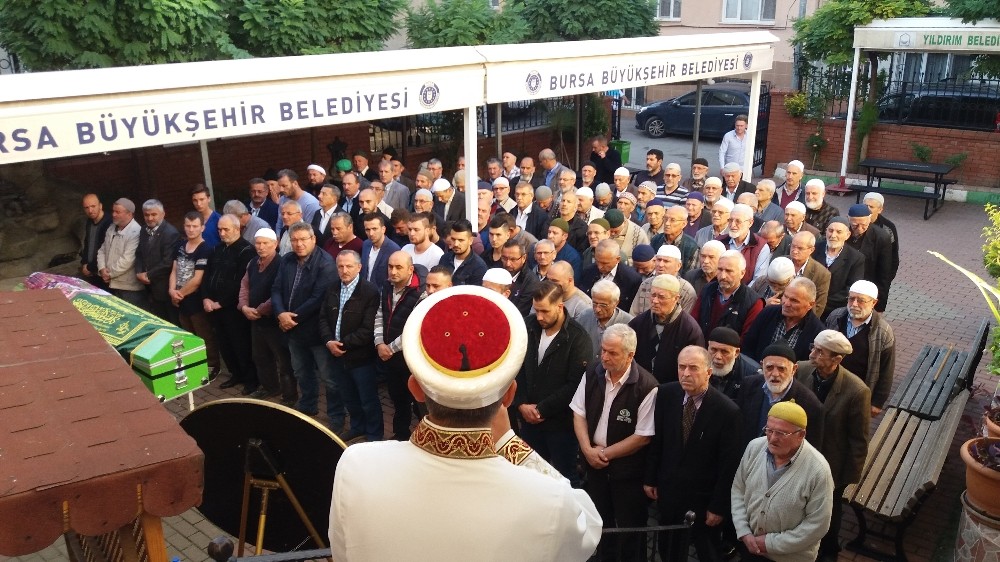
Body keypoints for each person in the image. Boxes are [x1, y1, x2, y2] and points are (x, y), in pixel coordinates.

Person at [329, 285, 602, 561]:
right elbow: (588, 526)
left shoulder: (357, 465)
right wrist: (509, 442)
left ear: (415, 389)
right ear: (508, 395)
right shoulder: (549, 500)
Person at [645, 345, 743, 562]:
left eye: (693, 368)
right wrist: (651, 477)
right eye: (681, 367)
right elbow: (658, 439)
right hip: (669, 491)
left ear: (708, 372)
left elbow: (728, 466)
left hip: (703, 499)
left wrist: (718, 507)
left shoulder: (727, 411)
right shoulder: (666, 394)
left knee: (706, 550)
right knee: (668, 547)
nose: (686, 373)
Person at [572, 324, 656, 561]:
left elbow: (642, 436)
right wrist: (588, 450)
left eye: (612, 353)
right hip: (594, 466)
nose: (604, 357)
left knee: (630, 528)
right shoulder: (592, 373)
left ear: (631, 355)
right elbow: (578, 412)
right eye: (603, 350)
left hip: (627, 472)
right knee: (601, 522)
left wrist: (604, 454)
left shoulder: (647, 386)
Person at [795, 330, 871, 561]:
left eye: (820, 352)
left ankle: (828, 551)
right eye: (813, 347)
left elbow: (858, 439)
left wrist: (845, 478)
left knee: (829, 510)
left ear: (837, 359)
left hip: (830, 463)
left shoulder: (857, 391)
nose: (812, 354)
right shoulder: (802, 369)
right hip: (798, 455)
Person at [731, 401, 834, 562]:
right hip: (750, 548)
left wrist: (769, 544)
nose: (772, 439)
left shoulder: (818, 471)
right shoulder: (754, 448)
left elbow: (817, 526)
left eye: (781, 433)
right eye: (769, 430)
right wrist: (744, 531)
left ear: (801, 435)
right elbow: (738, 489)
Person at [515, 281, 593, 485]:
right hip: (529, 419)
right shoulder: (527, 326)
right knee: (529, 474)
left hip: (561, 425)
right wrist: (522, 404)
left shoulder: (578, 338)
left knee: (564, 476)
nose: (539, 316)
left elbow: (575, 384)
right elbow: (517, 368)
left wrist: (541, 410)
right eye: (536, 310)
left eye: (544, 311)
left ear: (560, 307)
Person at [271, 221, 346, 430]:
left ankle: (336, 417)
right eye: (294, 240)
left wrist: (290, 318)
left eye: (303, 239)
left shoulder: (326, 264)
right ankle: (308, 406)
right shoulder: (286, 260)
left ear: (313, 239)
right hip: (293, 332)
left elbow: (318, 298)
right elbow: (276, 289)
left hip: (317, 332)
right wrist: (279, 313)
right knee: (301, 371)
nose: (299, 244)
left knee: (330, 378)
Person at [319, 250, 382, 442]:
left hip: (360, 358)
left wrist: (342, 344)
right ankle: (357, 427)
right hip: (336, 355)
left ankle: (374, 435)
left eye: (349, 266)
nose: (344, 270)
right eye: (340, 266)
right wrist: (329, 341)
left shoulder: (370, 292)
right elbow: (322, 318)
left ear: (359, 267)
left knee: (368, 399)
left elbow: (368, 328)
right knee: (349, 397)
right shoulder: (331, 288)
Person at [238, 227, 296, 404]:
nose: (261, 247)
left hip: (274, 322)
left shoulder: (281, 264)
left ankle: (289, 396)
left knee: (284, 361)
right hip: (256, 321)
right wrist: (244, 307)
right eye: (258, 243)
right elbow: (245, 286)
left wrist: (259, 310)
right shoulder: (253, 263)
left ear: (275, 244)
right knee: (260, 357)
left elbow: (279, 293)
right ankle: (270, 387)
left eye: (265, 243)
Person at [824, 280, 895, 415]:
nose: (854, 304)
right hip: (829, 385)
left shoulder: (884, 332)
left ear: (873, 303)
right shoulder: (835, 317)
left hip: (857, 393)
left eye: (861, 300)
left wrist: (877, 403)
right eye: (851, 299)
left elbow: (887, 370)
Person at [374, 251, 424, 441]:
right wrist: (379, 343)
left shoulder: (420, 292)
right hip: (389, 357)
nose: (393, 272)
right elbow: (380, 313)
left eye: (398, 267)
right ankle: (400, 436)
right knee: (397, 399)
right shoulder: (387, 286)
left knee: (418, 402)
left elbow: (415, 326)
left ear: (410, 269)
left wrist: (390, 349)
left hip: (408, 358)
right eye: (390, 267)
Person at [169, 212, 220, 379]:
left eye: (195, 226)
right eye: (188, 226)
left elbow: (197, 279)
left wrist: (179, 295)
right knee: (188, 334)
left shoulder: (206, 249)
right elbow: (174, 270)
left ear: (202, 228)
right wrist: (171, 290)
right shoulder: (180, 246)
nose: (191, 230)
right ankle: (195, 363)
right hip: (180, 300)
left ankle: (212, 365)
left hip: (196, 300)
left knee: (204, 334)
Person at [629, 274, 704, 383]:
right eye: (653, 295)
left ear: (676, 298)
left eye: (661, 297)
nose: (655, 300)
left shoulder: (689, 330)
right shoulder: (637, 324)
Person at [741, 277, 825, 362]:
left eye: (794, 300)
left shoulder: (817, 332)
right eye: (785, 296)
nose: (786, 303)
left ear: (810, 304)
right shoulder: (767, 313)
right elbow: (747, 348)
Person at [692, 250, 763, 340]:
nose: (723, 276)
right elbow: (694, 323)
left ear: (742, 273)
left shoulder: (754, 302)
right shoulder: (707, 290)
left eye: (729, 271)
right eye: (720, 270)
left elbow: (747, 340)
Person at [135, 199, 181, 321]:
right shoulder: (143, 230)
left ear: (163, 214)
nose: (150, 218)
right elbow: (139, 253)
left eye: (153, 214)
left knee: (171, 321)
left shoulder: (170, 233)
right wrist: (139, 272)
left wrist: (148, 275)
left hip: (164, 288)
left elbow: (168, 262)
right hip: (149, 289)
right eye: (146, 215)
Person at [96, 198, 144, 306]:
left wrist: (109, 274)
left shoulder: (136, 232)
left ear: (129, 214)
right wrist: (102, 268)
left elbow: (128, 260)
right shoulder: (111, 228)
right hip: (111, 283)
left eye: (117, 212)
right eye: (113, 211)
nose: (113, 214)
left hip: (129, 288)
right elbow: (102, 250)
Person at [846, 204, 893, 312]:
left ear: (870, 220)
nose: (860, 228)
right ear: (848, 219)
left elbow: (884, 274)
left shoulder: (881, 237)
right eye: (855, 225)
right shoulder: (843, 231)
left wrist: (880, 306)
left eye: (864, 225)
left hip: (867, 285)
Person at [814, 218, 865, 314]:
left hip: (835, 310)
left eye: (839, 232)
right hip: (810, 305)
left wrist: (822, 301)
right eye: (830, 230)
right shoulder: (814, 248)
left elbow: (851, 288)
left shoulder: (856, 258)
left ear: (847, 235)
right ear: (826, 232)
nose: (833, 235)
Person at [578, 280, 634, 365]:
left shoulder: (629, 323)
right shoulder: (584, 316)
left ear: (616, 303)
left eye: (603, 305)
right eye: (594, 303)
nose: (597, 309)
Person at [631, 244, 697, 316]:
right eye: (658, 260)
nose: (660, 264)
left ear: (678, 266)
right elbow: (633, 314)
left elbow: (685, 322)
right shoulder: (645, 284)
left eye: (666, 261)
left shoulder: (687, 291)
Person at [579, 239, 642, 313]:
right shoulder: (588, 272)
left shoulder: (631, 279)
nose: (600, 266)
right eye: (597, 261)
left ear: (617, 259)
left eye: (605, 263)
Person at [719, 203, 770, 284]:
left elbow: (758, 280)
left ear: (750, 223)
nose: (732, 225)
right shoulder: (720, 242)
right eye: (730, 220)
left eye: (738, 221)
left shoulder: (761, 246)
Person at [707, 326, 760, 401]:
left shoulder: (752, 375)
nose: (718, 356)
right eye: (714, 350)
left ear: (736, 353)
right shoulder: (697, 365)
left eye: (724, 352)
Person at [787, 231, 831, 317]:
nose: (795, 251)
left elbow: (819, 306)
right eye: (793, 246)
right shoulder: (780, 262)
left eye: (800, 248)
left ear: (811, 250)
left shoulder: (822, 274)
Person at [651, 205, 699, 275]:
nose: (667, 223)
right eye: (665, 219)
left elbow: (690, 275)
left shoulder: (691, 246)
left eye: (672, 220)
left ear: (684, 224)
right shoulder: (656, 240)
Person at [439, 219, 488, 286]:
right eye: (453, 239)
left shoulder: (479, 267)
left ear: (470, 240)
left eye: (460, 240)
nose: (456, 244)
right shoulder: (445, 259)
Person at [79, 193, 113, 290]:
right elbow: (87, 243)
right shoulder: (89, 222)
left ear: (100, 206)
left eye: (93, 206)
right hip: (91, 271)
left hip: (104, 272)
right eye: (86, 208)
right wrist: (84, 263)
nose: (90, 210)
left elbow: (106, 249)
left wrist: (90, 267)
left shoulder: (109, 223)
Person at [360, 212, 401, 290]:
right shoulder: (365, 244)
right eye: (367, 230)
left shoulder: (394, 250)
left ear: (383, 229)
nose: (371, 233)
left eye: (374, 229)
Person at [864, 192, 900, 280]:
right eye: (865, 206)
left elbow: (893, 255)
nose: (868, 209)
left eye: (871, 207)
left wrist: (887, 279)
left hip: (878, 275)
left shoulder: (888, 228)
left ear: (880, 210)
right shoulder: (855, 222)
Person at [501, 238, 541, 317]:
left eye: (513, 259)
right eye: (504, 258)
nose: (508, 263)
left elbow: (520, 313)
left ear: (524, 258)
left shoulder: (531, 282)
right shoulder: (496, 273)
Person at [311, 184, 341, 248]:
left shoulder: (342, 216)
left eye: (324, 194)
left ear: (334, 198)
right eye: (320, 193)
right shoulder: (317, 213)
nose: (319, 196)